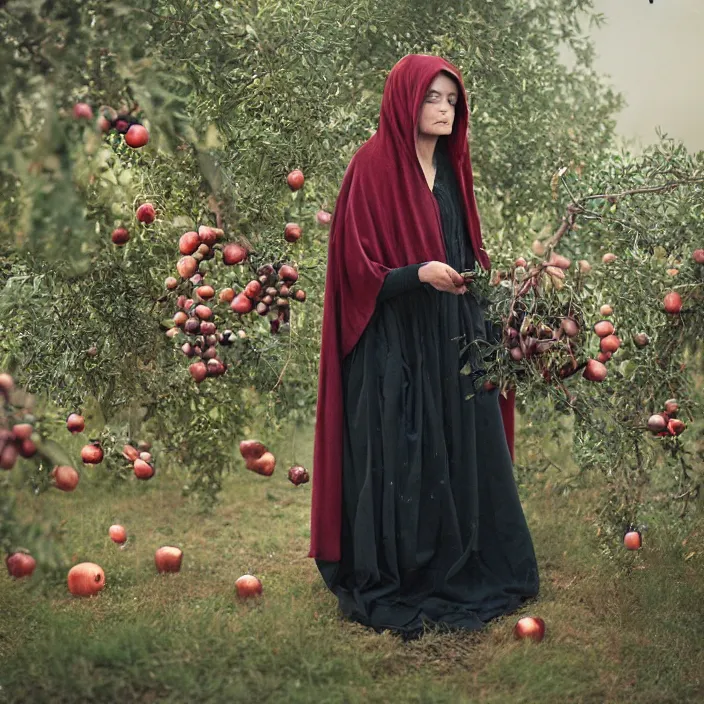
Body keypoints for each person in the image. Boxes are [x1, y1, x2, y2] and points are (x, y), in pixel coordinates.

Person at [309, 54, 540, 641]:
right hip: (392, 343)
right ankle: (404, 570)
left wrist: (499, 288)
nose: (444, 109)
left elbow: (465, 251)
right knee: (404, 453)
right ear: (405, 101)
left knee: (465, 440)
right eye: (433, 98)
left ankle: (462, 559)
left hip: (452, 334)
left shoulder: (452, 170)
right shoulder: (370, 167)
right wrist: (419, 274)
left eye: (452, 101)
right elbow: (356, 272)